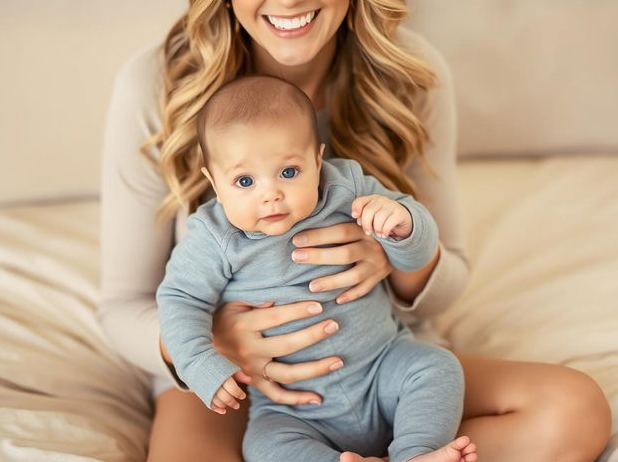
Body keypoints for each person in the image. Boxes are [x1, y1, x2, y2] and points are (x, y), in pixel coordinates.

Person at [98, 0, 611, 462]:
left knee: (573, 411)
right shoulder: (158, 86)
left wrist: (393, 251)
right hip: (239, 385)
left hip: (380, 357)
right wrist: (216, 344)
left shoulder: (412, 73)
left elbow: (449, 278)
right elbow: (122, 306)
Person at [156, 75, 475, 462]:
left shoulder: (347, 188)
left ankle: (415, 453)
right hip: (295, 409)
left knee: (437, 367)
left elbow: (417, 253)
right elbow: (178, 300)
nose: (270, 193)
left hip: (382, 367)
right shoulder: (214, 238)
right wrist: (200, 363)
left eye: (289, 172)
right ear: (214, 183)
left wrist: (403, 224)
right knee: (265, 448)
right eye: (244, 181)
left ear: (318, 160)